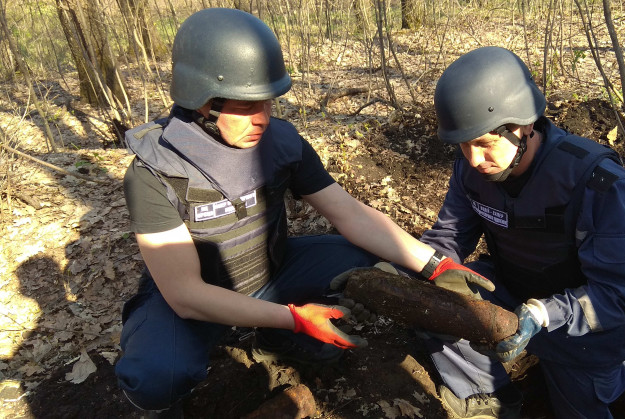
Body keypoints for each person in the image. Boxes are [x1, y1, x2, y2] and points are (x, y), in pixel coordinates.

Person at [114, 8, 495, 418]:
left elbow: (349, 213)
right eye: (246, 106)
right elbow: (186, 295)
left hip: (270, 272)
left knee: (374, 258)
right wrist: (295, 318)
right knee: (156, 374)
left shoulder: (281, 144)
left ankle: (273, 337)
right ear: (203, 101)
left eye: (267, 102)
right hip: (195, 298)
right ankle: (174, 399)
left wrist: (433, 265)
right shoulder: (155, 170)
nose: (262, 118)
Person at [415, 46, 625, 419]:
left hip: (585, 330)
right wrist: (412, 269)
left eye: (483, 143)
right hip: (513, 290)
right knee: (433, 302)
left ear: (524, 125)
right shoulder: (471, 170)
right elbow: (449, 235)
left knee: (580, 408)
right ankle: (488, 398)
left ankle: (608, 379)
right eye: (463, 144)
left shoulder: (598, 184)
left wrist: (545, 314)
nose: (473, 159)